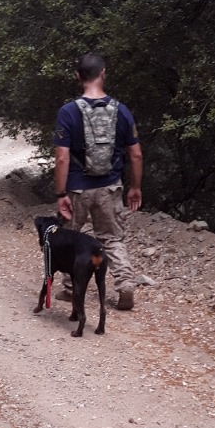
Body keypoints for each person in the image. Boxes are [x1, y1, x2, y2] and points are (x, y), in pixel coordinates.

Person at [53, 52, 142, 310]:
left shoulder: (68, 112)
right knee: (112, 238)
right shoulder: (122, 111)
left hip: (77, 188)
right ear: (103, 73)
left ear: (78, 77)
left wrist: (61, 194)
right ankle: (125, 284)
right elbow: (135, 154)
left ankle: (70, 289)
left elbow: (61, 158)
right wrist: (135, 187)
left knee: (70, 237)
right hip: (110, 187)